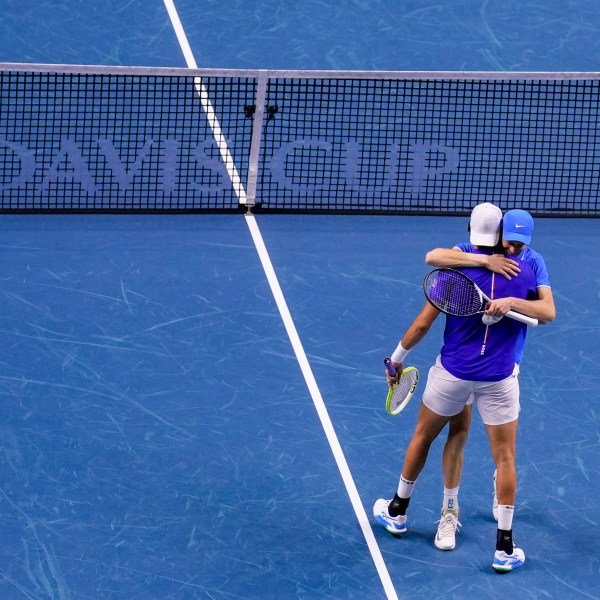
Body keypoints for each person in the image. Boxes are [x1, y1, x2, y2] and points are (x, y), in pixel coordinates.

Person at [373, 203, 551, 572]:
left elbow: (423, 323)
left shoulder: (456, 269)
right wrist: (513, 295)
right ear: (501, 233)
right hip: (500, 378)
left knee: (423, 436)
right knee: (504, 458)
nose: (513, 249)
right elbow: (547, 313)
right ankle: (503, 547)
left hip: (452, 374)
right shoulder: (527, 271)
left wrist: (396, 358)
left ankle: (398, 510)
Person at [425, 208, 556, 520]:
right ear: (498, 234)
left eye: (518, 246)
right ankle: (450, 511)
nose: (511, 250)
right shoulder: (476, 248)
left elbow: (548, 311)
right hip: (466, 363)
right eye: (507, 242)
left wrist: (512, 302)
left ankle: (502, 490)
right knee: (460, 431)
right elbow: (434, 257)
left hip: (505, 363)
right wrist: (484, 260)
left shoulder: (534, 261)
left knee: (503, 448)